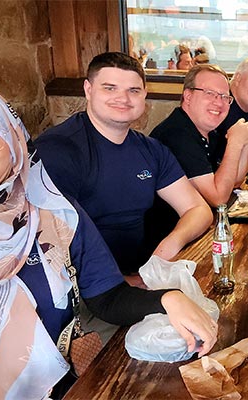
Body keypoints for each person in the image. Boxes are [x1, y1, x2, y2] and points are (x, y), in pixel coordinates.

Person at [0, 77, 217, 399]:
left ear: (12, 136)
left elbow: (107, 297)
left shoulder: (52, 211)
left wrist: (167, 299)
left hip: (60, 388)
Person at [34, 52, 212, 276]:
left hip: (140, 273)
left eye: (133, 91)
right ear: (88, 90)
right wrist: (122, 285)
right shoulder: (58, 149)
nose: (123, 98)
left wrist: (162, 255)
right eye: (110, 88)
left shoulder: (151, 149)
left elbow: (198, 209)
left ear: (144, 94)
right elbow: (49, 244)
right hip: (85, 288)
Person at [149, 64, 248, 206]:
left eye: (224, 97)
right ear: (188, 96)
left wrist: (244, 141)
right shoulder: (177, 134)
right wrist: (235, 143)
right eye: (209, 93)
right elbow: (218, 198)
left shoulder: (208, 130)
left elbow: (234, 181)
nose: (219, 102)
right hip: (171, 227)